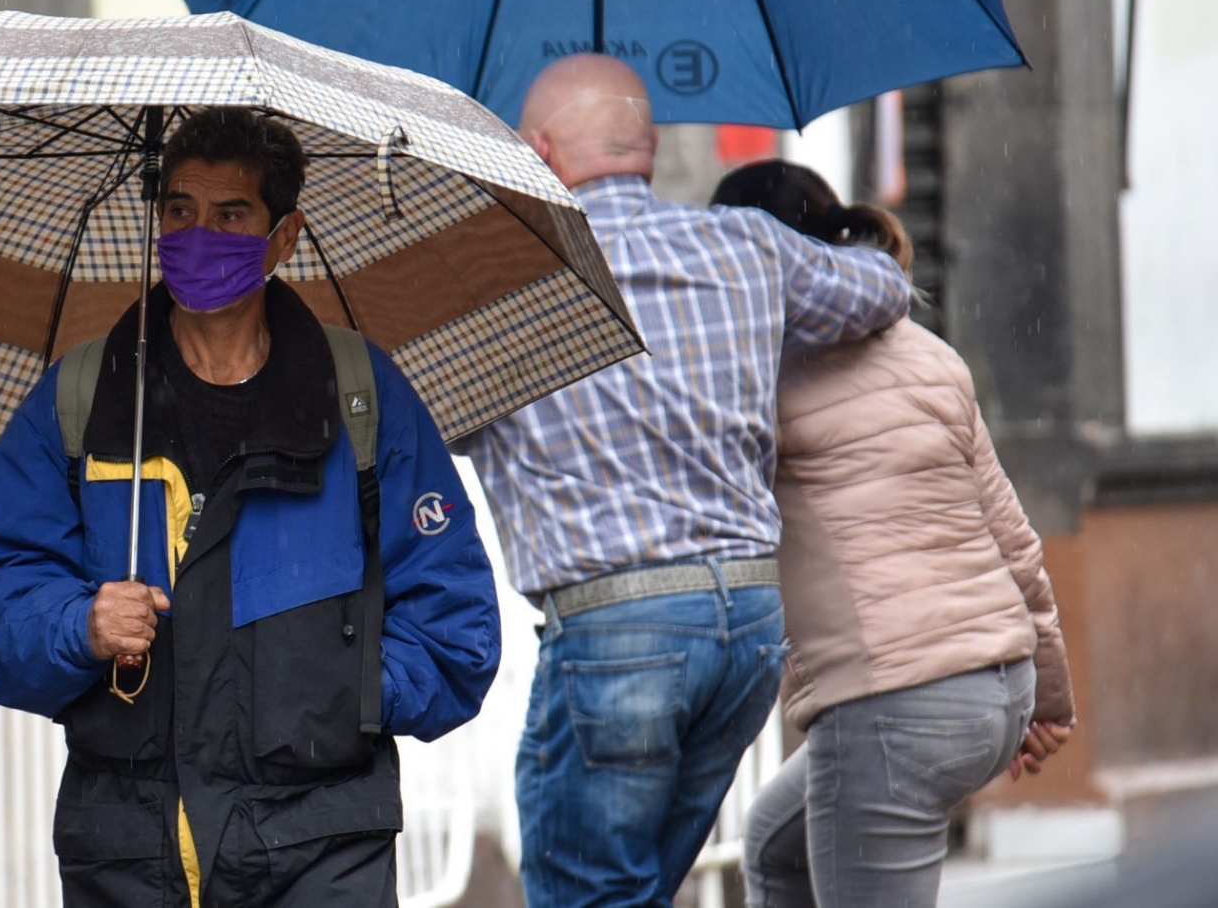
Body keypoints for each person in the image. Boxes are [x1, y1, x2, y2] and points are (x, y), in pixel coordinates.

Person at [0, 109, 501, 908]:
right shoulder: (84, 398)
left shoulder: (361, 396)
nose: (200, 234)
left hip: (320, 847)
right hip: (125, 849)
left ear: (283, 236)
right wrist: (78, 625)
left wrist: (337, 692)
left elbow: (455, 631)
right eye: (179, 211)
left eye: (231, 215)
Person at [456, 54, 914, 908]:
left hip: (617, 628)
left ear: (540, 150)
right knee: (635, 888)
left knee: (588, 893)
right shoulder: (746, 245)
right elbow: (880, 290)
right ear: (649, 148)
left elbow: (446, 424)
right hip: (745, 627)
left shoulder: (509, 279)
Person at [714, 160, 1076, 908]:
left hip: (897, 707)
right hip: (995, 687)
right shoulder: (929, 354)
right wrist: (1049, 697)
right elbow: (1014, 540)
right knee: (775, 848)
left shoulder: (757, 376)